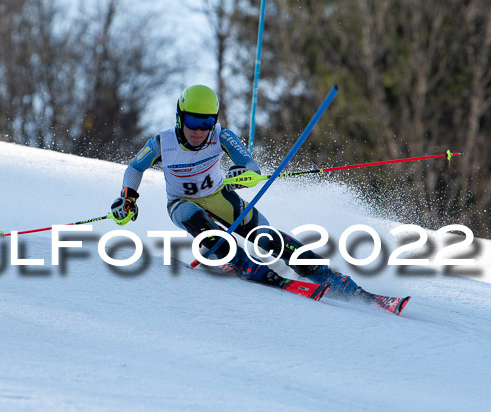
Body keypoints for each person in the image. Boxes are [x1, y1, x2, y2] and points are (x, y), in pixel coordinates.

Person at [110, 84, 360, 298]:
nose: (199, 131)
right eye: (193, 122)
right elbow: (135, 167)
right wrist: (128, 198)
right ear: (179, 118)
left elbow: (250, 165)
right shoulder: (161, 143)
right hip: (181, 202)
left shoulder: (221, 136)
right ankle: (244, 264)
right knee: (194, 218)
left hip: (218, 195)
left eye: (206, 122)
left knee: (265, 235)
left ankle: (324, 274)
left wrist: (244, 175)